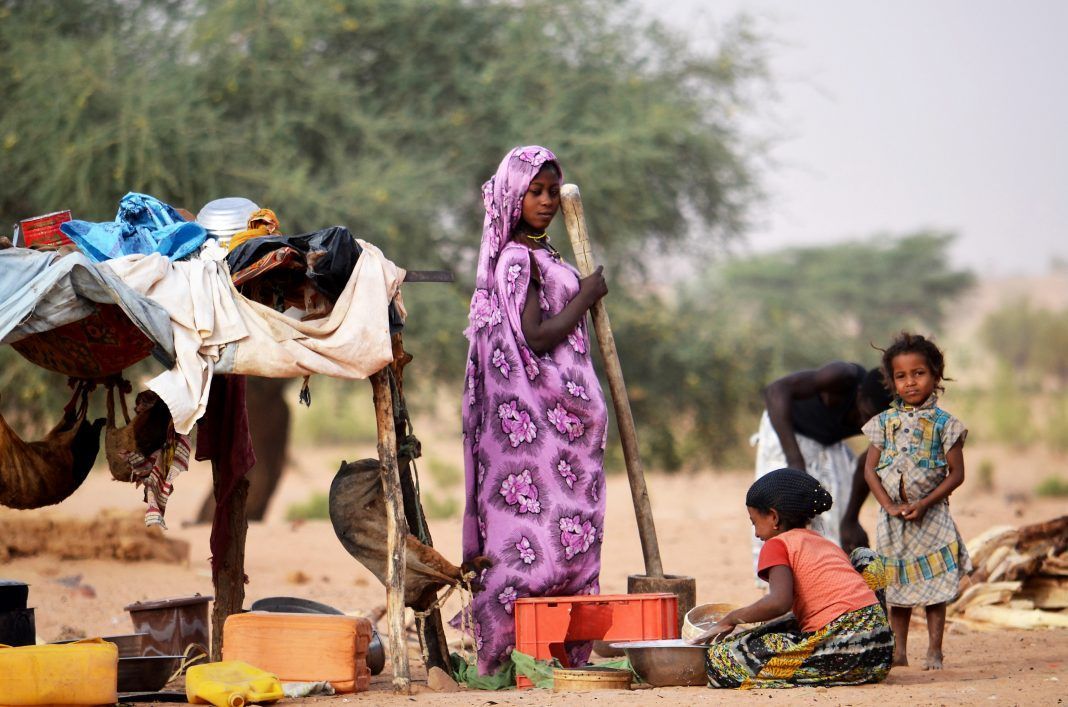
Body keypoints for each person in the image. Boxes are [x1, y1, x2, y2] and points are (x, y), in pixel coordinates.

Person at [458, 145, 609, 675]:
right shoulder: (517, 259)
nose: (546, 201)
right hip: (538, 427)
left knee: (567, 534)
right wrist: (587, 295)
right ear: (511, 196)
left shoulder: (543, 253)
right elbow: (536, 337)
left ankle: (559, 651)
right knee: (530, 535)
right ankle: (510, 654)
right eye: (535, 191)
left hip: (569, 431)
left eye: (552, 191)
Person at [694, 468, 894, 689]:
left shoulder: (776, 544)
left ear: (774, 517)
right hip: (880, 655)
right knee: (864, 556)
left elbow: (779, 602)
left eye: (754, 522)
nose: (756, 533)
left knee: (719, 660)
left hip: (842, 650)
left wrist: (731, 618)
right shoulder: (824, 543)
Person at [863, 332, 970, 670]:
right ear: (892, 382)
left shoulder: (946, 425)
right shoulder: (882, 423)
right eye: (901, 376)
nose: (910, 382)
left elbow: (956, 474)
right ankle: (899, 652)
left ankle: (935, 651)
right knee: (898, 587)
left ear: (935, 376)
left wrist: (924, 503)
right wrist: (888, 505)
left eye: (919, 373)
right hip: (893, 520)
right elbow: (869, 471)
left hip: (932, 516)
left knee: (935, 585)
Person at [752, 361, 892, 572]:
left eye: (874, 422)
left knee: (833, 527)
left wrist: (850, 519)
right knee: (782, 516)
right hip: (786, 430)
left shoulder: (887, 419)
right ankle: (778, 581)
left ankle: (822, 580)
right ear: (859, 393)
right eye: (864, 415)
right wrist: (795, 462)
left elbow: (867, 463)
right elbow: (775, 390)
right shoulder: (842, 376)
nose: (866, 425)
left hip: (828, 443)